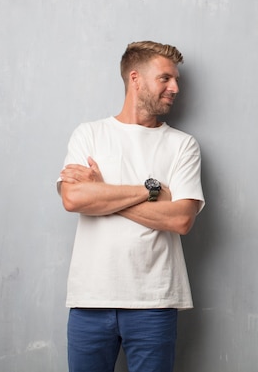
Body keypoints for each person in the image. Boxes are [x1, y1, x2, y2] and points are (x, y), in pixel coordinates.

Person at [57, 40, 205, 372]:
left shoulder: (183, 145)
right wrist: (152, 191)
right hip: (90, 300)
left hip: (154, 301)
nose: (175, 87)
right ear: (135, 79)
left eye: (176, 80)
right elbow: (73, 199)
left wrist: (102, 193)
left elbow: (182, 218)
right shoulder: (89, 134)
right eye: (165, 78)